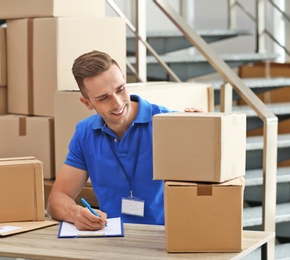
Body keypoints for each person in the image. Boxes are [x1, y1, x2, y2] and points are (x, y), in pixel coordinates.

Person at [47, 50, 200, 231]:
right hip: (112, 239)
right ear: (87, 103)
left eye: (120, 89)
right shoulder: (85, 133)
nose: (118, 103)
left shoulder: (167, 123)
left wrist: (201, 129)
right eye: (104, 98)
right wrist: (75, 213)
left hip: (166, 239)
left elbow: (208, 183)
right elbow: (56, 200)